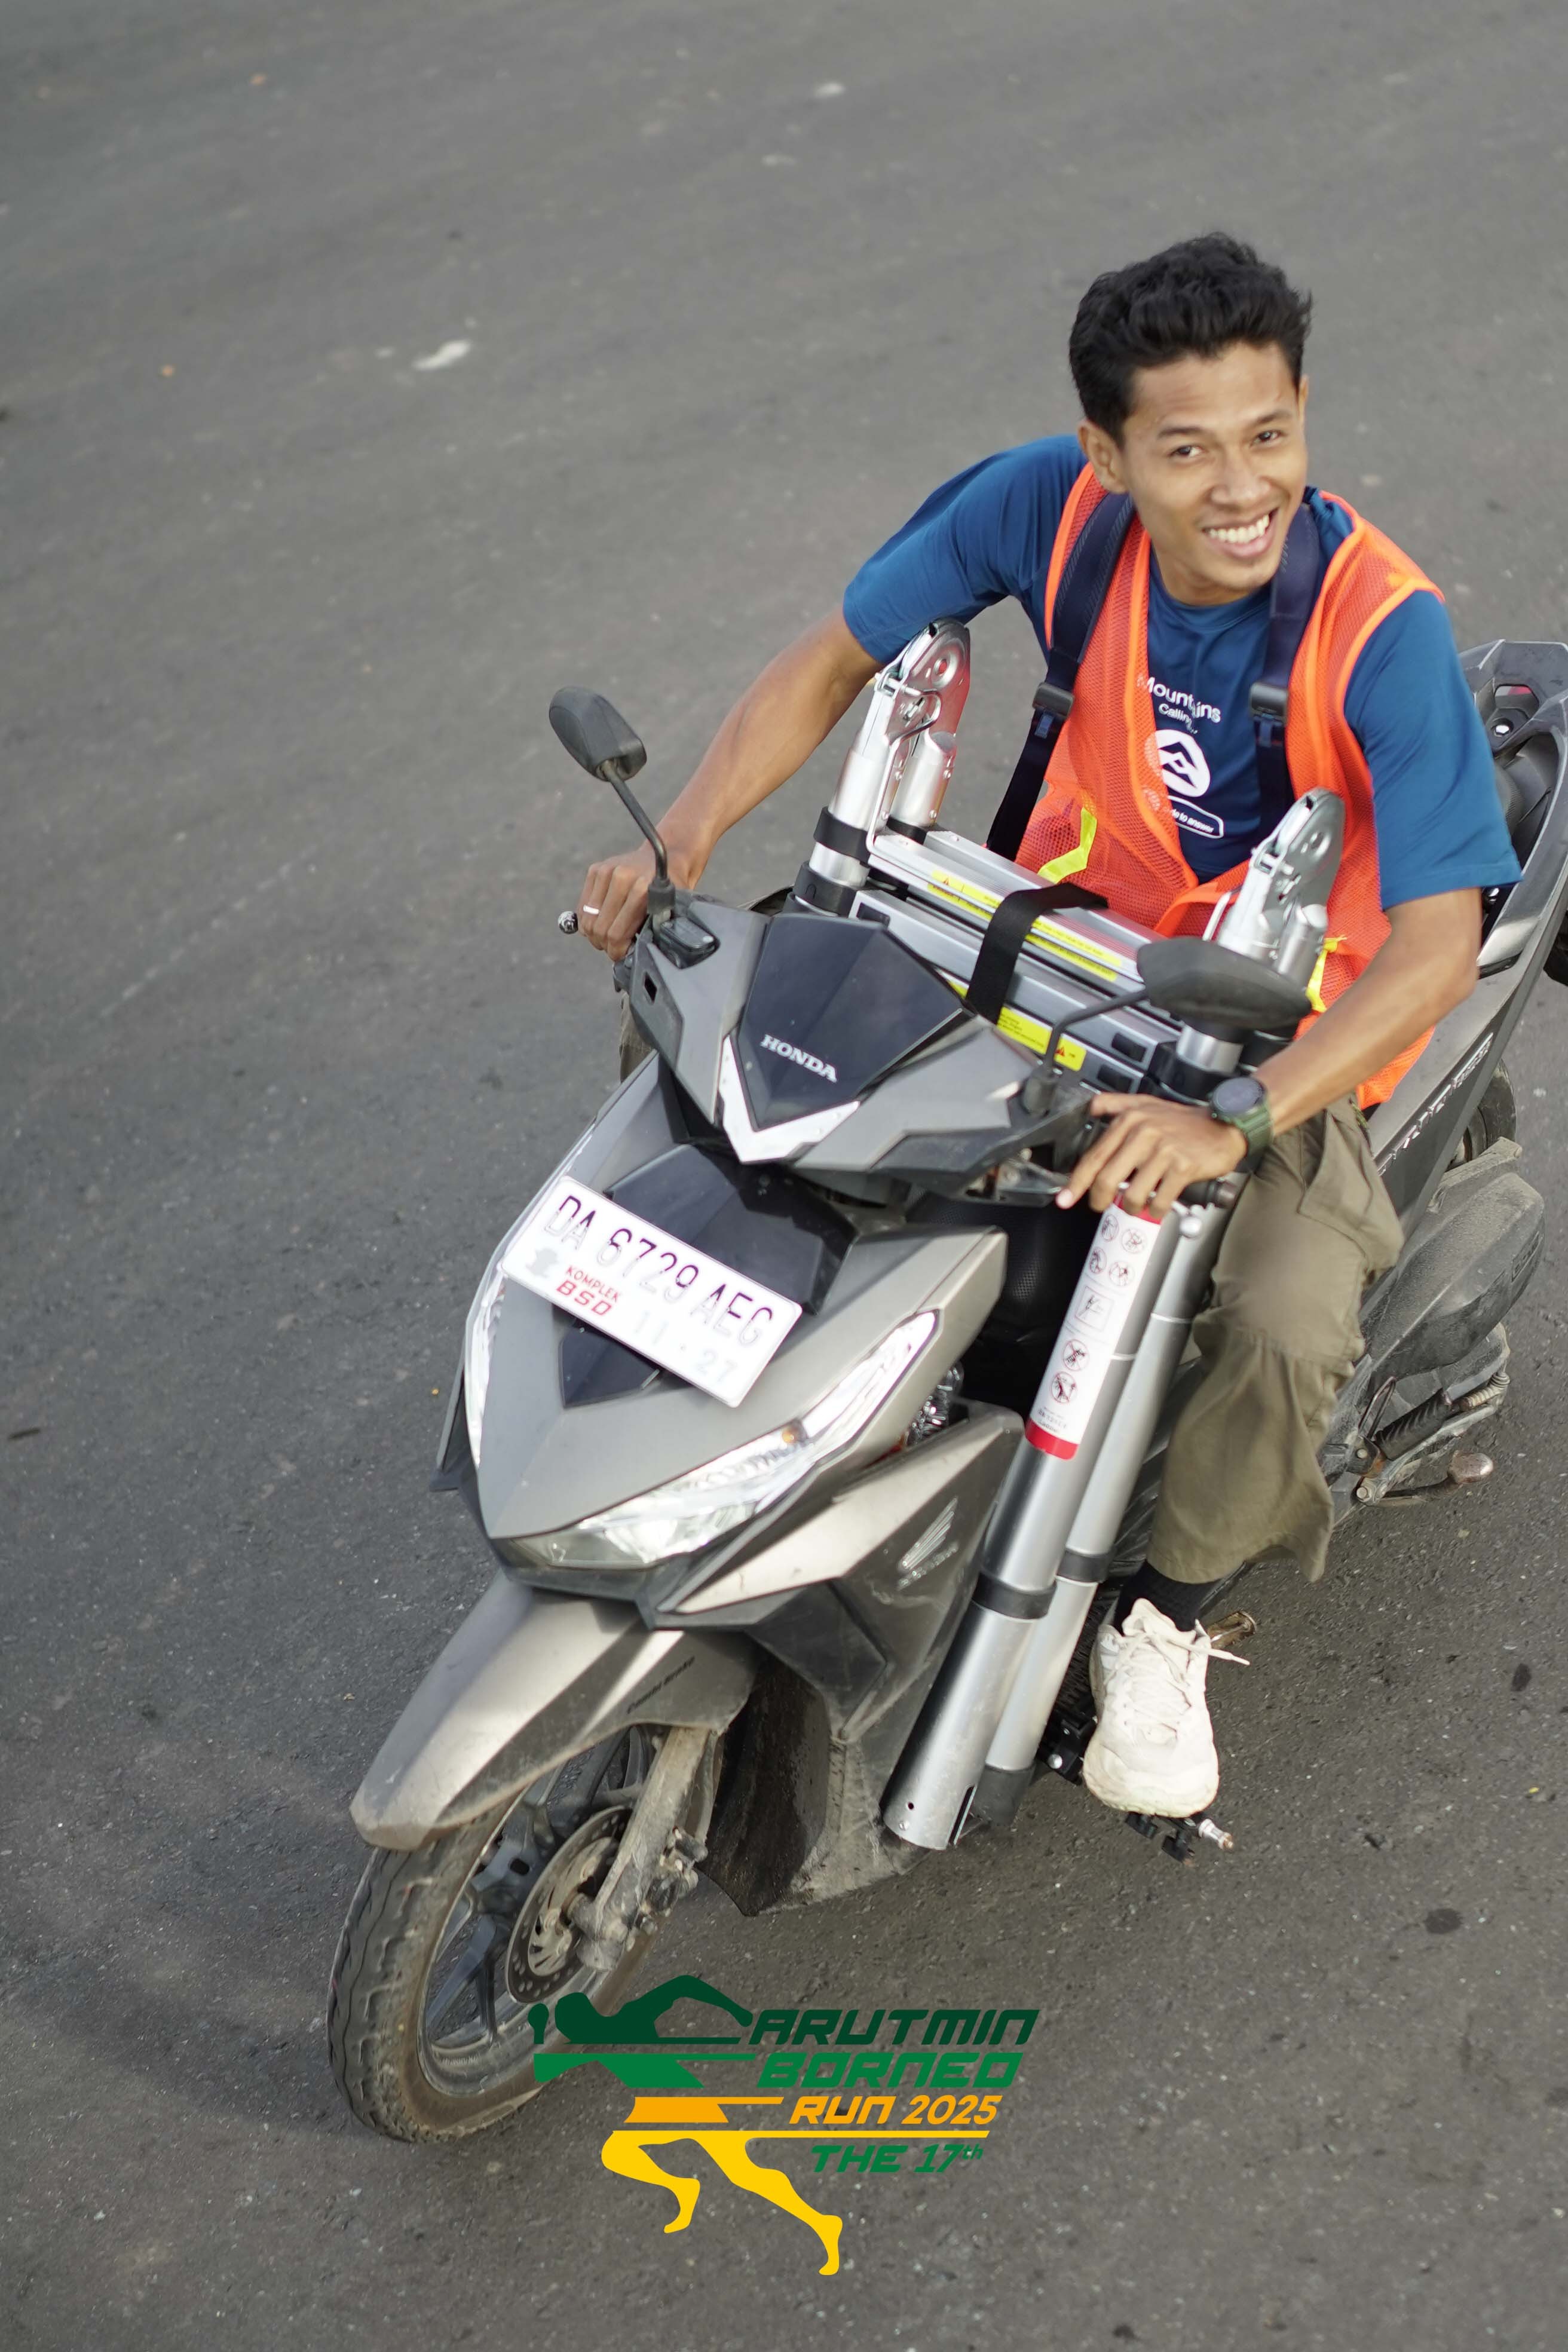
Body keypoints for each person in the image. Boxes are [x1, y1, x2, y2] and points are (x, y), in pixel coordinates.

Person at [572, 234, 1520, 1820]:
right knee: (725, 1064)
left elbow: (1436, 952)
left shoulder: (1381, 627)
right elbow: (833, 660)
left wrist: (1234, 1120)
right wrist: (684, 835)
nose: (1242, 487)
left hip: (1278, 1032)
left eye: (1271, 434)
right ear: (1107, 452)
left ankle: (1168, 1615)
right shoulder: (1046, 509)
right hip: (1042, 948)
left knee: (1285, 1317)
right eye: (1189, 449)